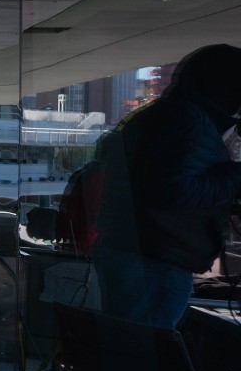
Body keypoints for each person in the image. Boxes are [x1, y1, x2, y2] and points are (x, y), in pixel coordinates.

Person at [93, 44, 241, 329]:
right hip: (156, 262)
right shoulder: (192, 123)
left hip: (132, 253)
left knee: (126, 349)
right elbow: (173, 190)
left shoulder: (162, 115)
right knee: (143, 356)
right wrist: (234, 176)